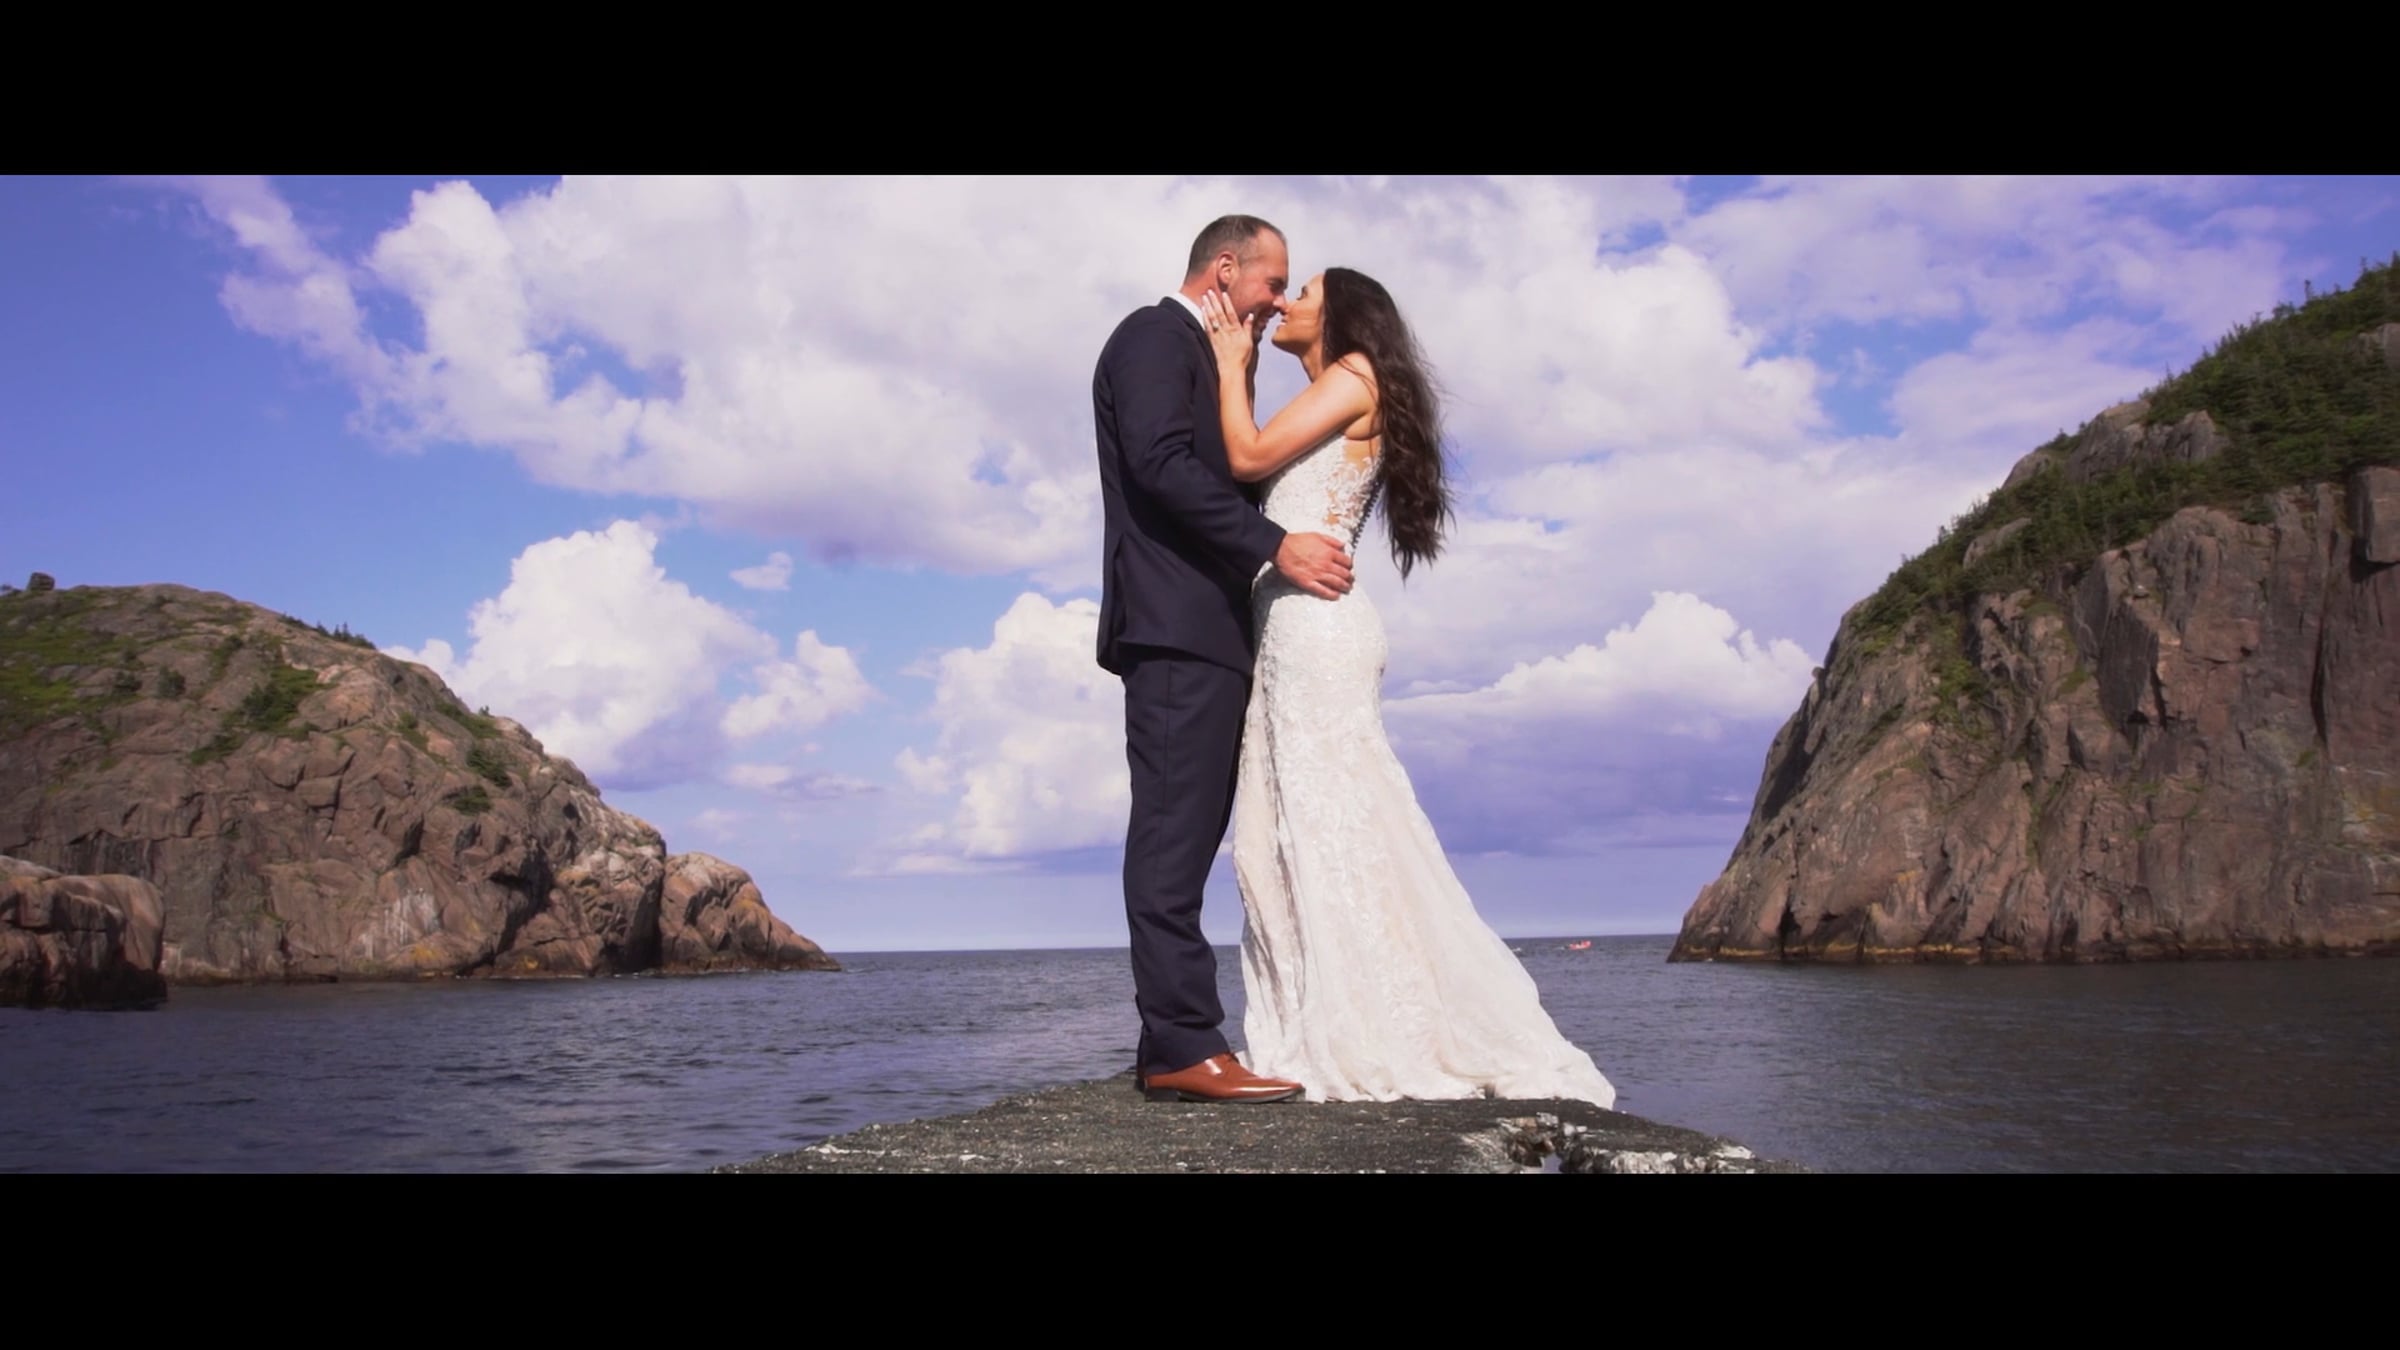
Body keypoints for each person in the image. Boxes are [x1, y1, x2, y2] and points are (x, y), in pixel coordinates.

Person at [1195, 268, 1619, 1109]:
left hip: (1317, 632)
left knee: (1334, 826)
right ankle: (1325, 1017)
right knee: (1285, 834)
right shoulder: (1332, 391)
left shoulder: (1354, 374)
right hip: (1291, 631)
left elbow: (1244, 457)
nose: (1284, 303)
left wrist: (1229, 364)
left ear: (1343, 316)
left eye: (1302, 292)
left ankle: (1377, 1030)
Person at [1091, 215, 1357, 1104]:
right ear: (1226, 266)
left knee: (1189, 836)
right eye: (1273, 282)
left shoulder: (1207, 355)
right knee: (1171, 840)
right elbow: (1161, 465)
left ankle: (1168, 1044)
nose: (1278, 300)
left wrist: (1240, 373)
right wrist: (1275, 546)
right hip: (1175, 629)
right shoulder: (1151, 336)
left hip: (1213, 632)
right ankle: (1182, 1045)